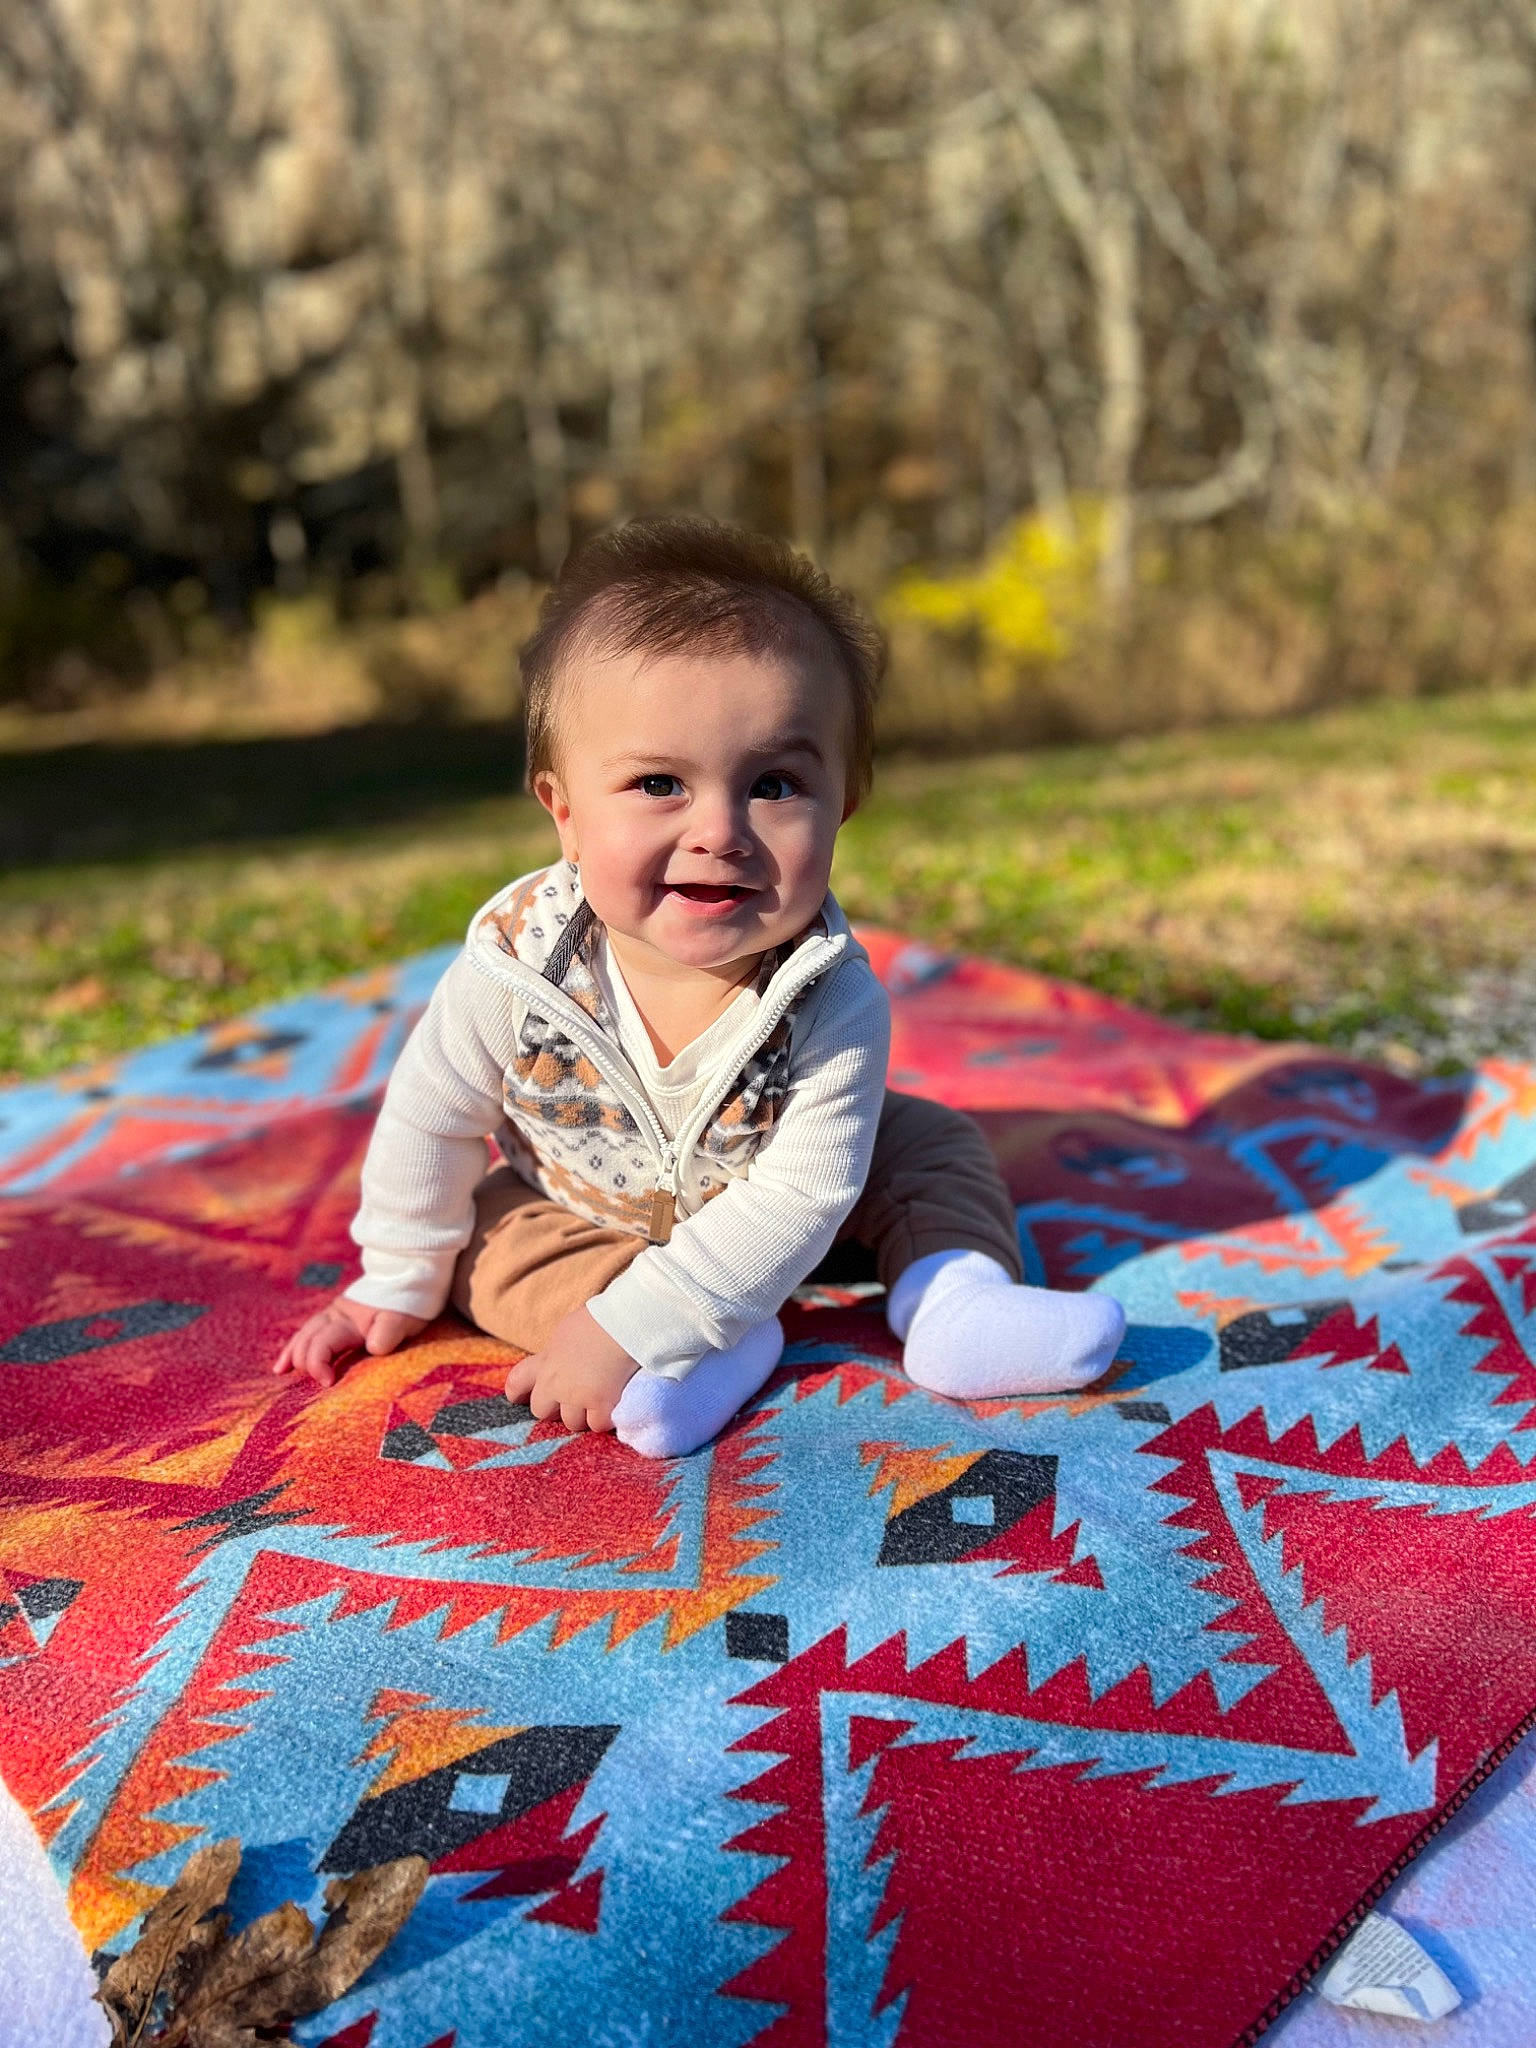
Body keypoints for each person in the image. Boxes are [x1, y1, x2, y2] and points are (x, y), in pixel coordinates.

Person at [273, 517, 1125, 1457]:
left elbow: (803, 1195)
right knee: (481, 1233)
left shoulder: (828, 996)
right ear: (564, 813)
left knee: (930, 1143)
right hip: (580, 1207)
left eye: (773, 785)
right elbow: (428, 1122)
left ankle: (955, 1303)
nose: (720, 830)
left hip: (783, 1215)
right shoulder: (516, 975)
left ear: (841, 805)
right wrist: (394, 1279)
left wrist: (632, 1324)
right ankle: (711, 1350)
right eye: (657, 785)